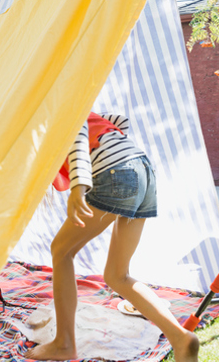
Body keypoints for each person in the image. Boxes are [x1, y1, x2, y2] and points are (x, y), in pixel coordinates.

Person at [26, 112, 199, 362]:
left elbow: (76, 130)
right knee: (117, 275)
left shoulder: (60, 108)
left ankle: (64, 343)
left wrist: (79, 186)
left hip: (116, 173)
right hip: (142, 169)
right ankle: (180, 336)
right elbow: (120, 121)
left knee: (61, 251)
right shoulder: (90, 111)